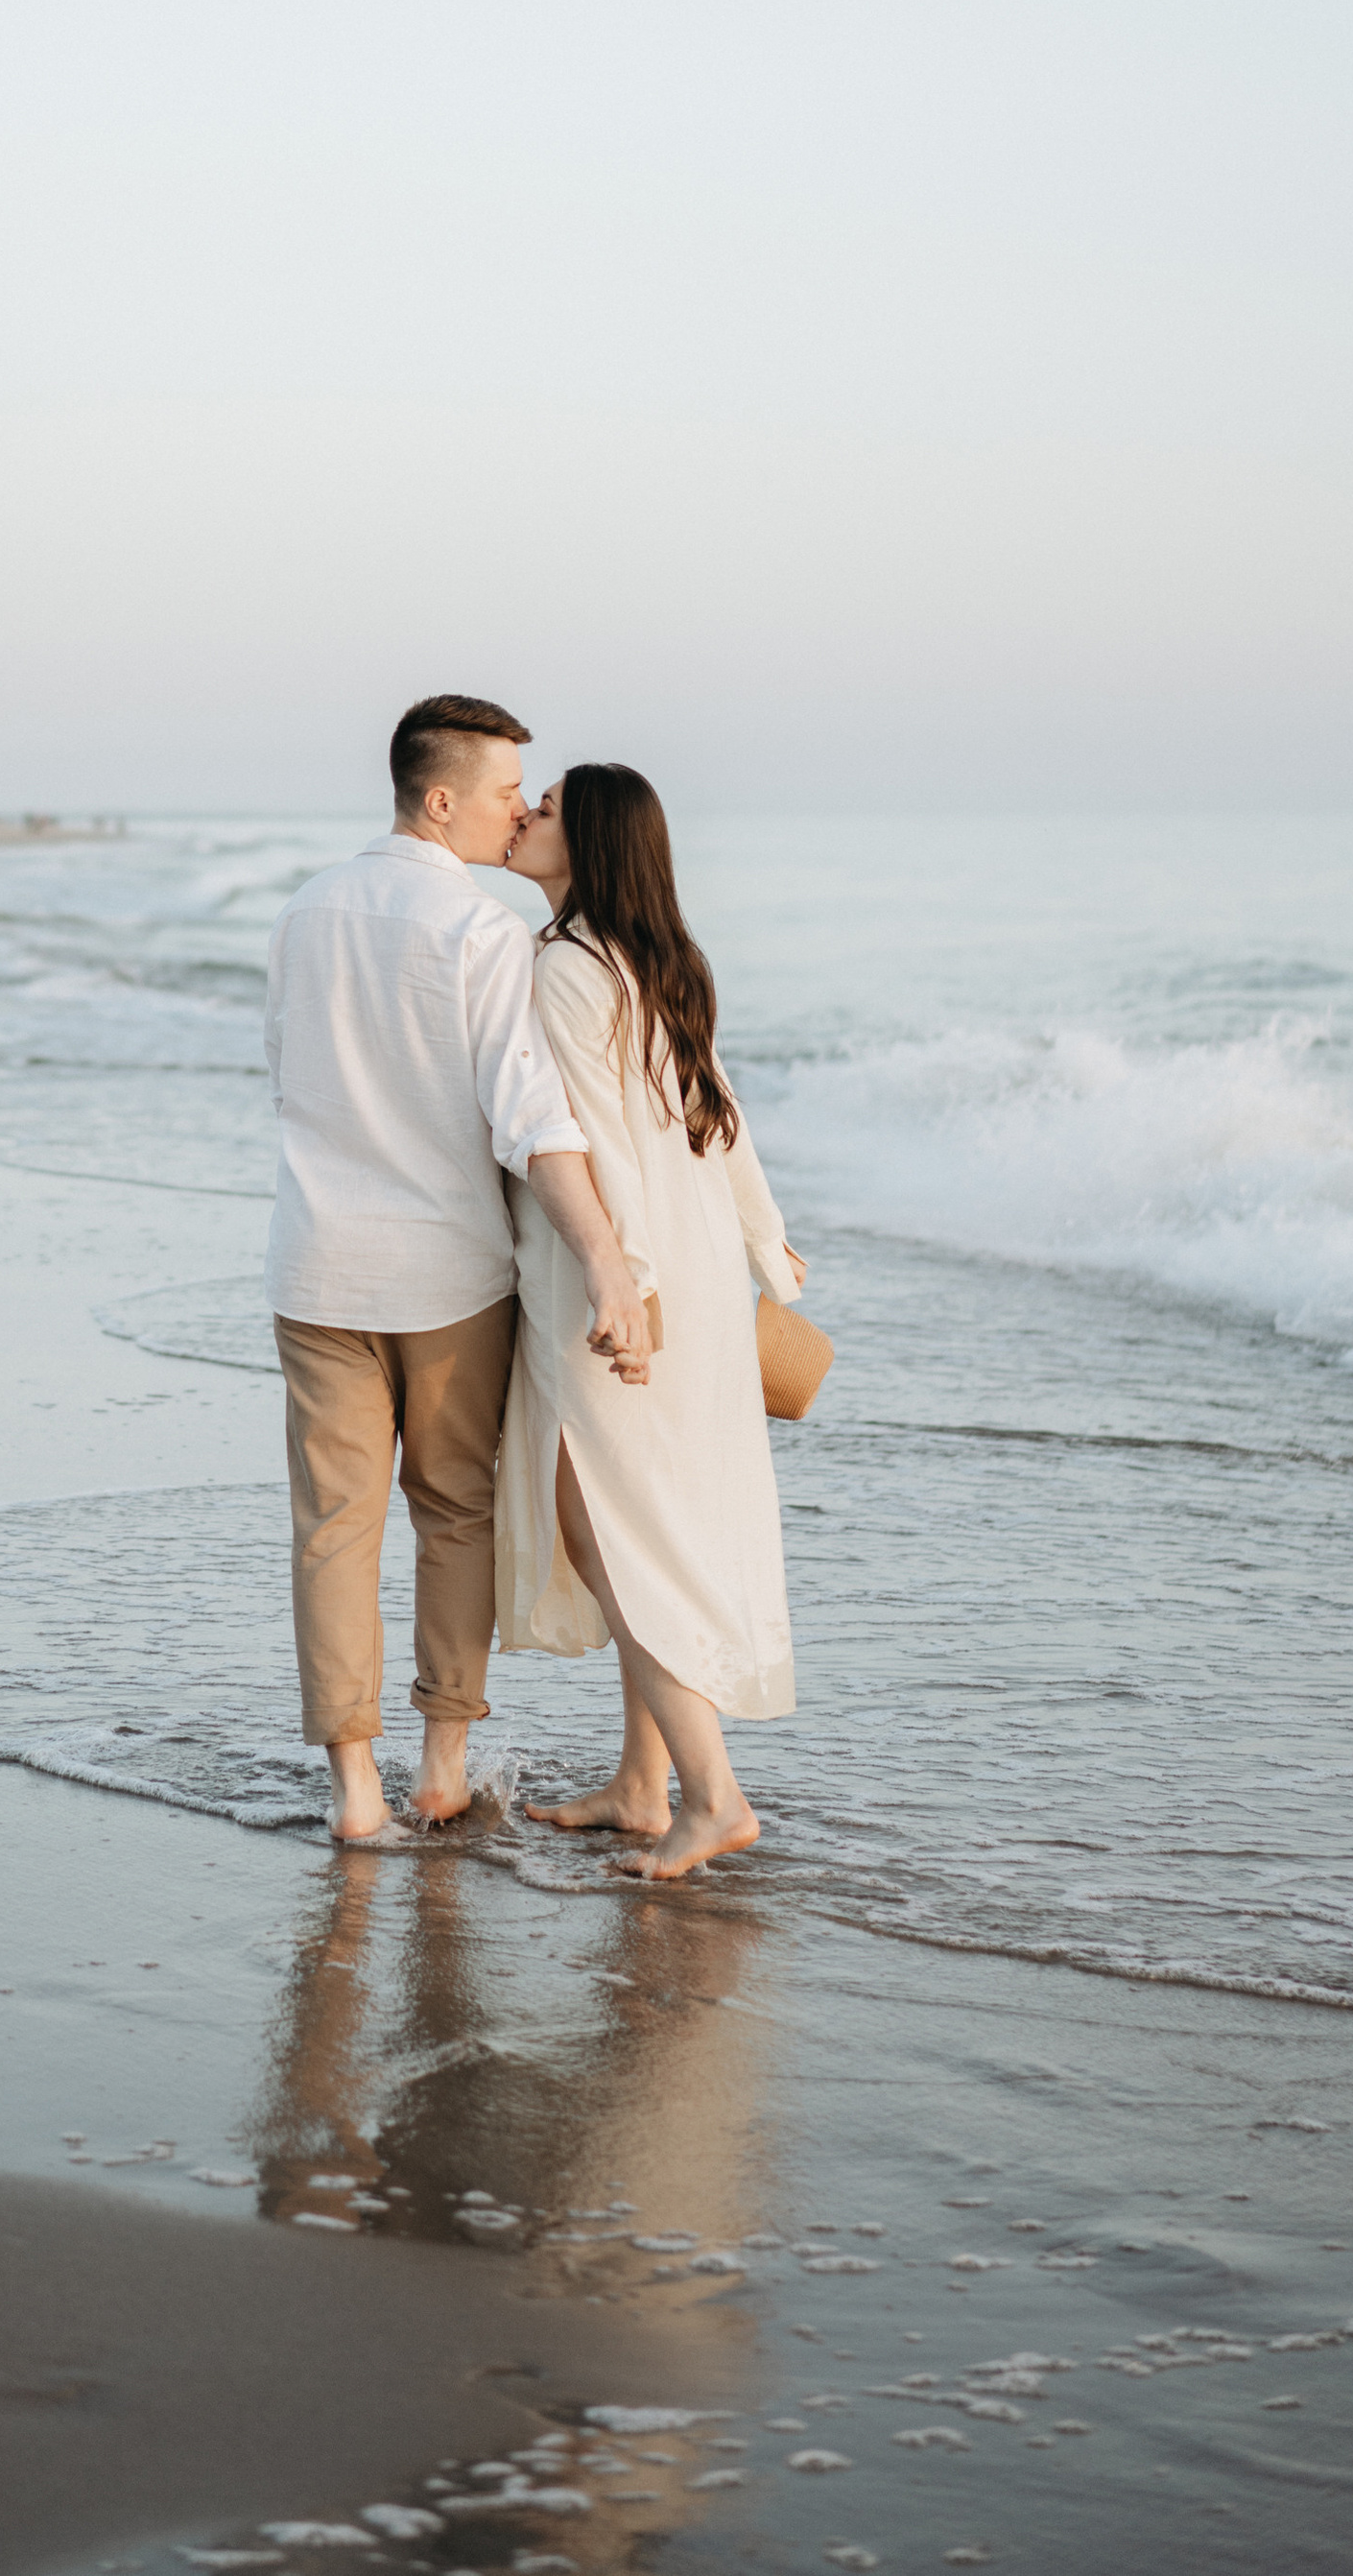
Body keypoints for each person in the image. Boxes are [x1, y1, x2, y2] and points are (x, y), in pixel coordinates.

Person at [265, 695, 653, 1845]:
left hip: (317, 1265)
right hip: (448, 1277)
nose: (516, 810)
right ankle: (440, 1765)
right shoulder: (480, 934)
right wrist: (609, 1262)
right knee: (454, 1513)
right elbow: (531, 1120)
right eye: (500, 792)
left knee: (332, 1525)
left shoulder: (301, 910)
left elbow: (286, 1073)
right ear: (440, 798)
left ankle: (353, 1791)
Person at [494, 762, 803, 1881]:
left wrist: (620, 1282)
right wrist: (762, 1240)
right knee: (648, 1515)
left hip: (621, 1282)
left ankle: (712, 1796)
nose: (522, 817)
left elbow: (595, 1142)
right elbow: (721, 1117)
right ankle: (641, 1783)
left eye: (544, 810)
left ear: (591, 844)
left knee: (613, 1531)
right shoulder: (658, 958)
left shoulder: (563, 968)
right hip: (694, 1273)